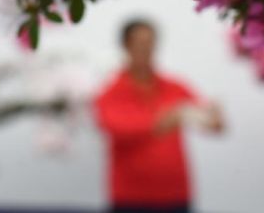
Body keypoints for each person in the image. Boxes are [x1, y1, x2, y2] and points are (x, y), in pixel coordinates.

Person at [96, 19, 224, 213]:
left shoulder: (176, 87)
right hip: (130, 199)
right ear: (125, 46)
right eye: (139, 43)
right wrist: (166, 120)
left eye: (150, 43)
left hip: (176, 196)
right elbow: (115, 127)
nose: (145, 49)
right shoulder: (110, 92)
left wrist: (214, 118)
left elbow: (209, 122)